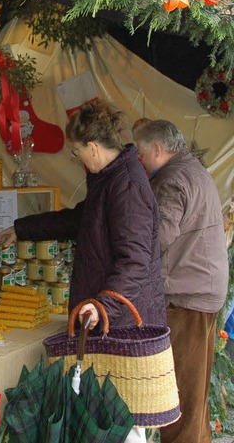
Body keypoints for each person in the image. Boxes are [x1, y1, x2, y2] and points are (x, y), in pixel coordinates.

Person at [0, 99, 166, 329]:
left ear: (93, 148)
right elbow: (78, 220)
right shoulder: (109, 179)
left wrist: (103, 306)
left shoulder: (126, 187)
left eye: (77, 151)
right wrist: (21, 228)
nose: (77, 159)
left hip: (121, 324)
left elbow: (134, 261)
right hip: (109, 317)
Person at [133, 119, 228, 443]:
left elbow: (156, 238)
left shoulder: (171, 179)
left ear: (158, 149)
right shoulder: (193, 169)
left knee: (180, 399)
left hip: (187, 296)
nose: (140, 162)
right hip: (200, 290)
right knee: (193, 394)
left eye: (142, 154)